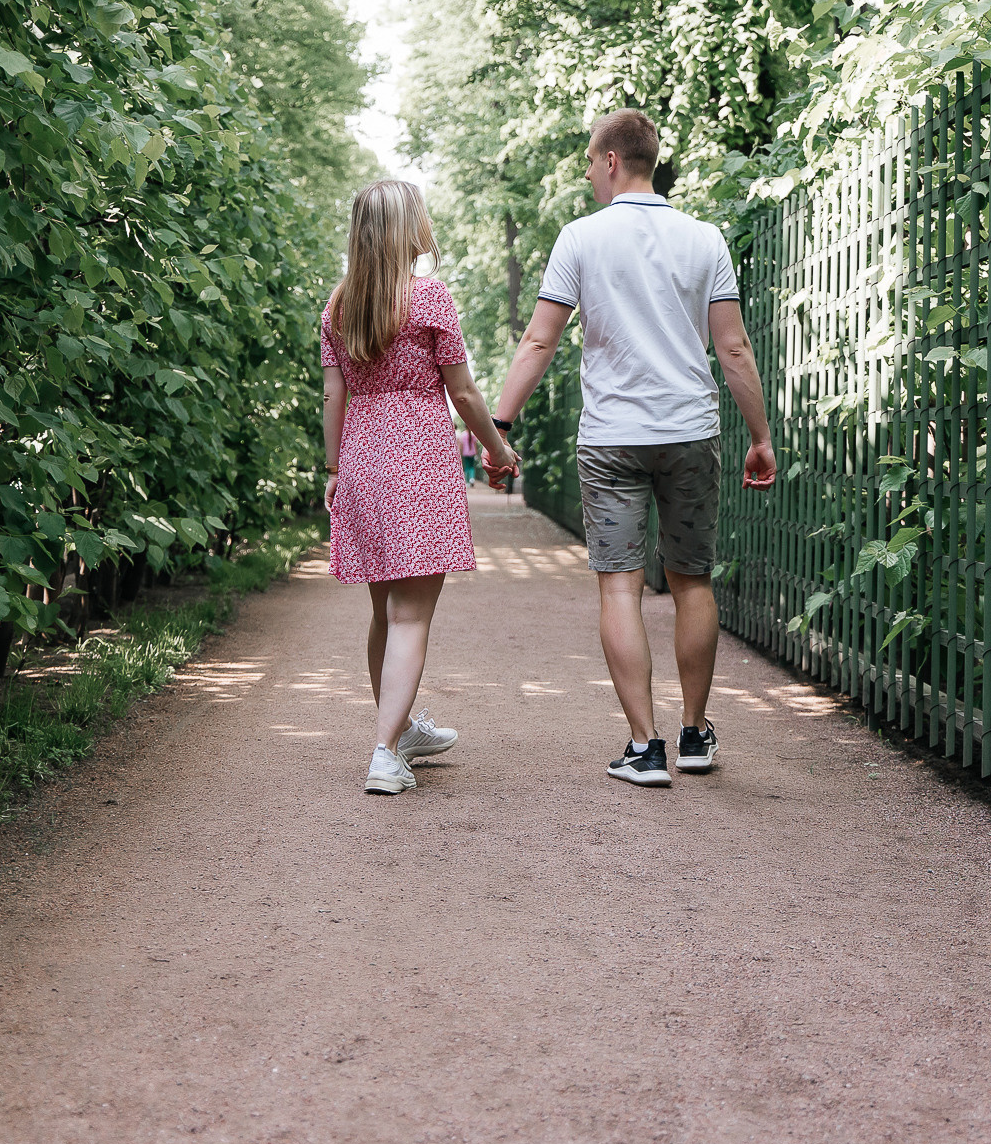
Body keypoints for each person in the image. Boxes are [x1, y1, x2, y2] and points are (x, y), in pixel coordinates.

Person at [490, 109, 775, 788]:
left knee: (619, 584)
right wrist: (760, 435)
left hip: (612, 436)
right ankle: (695, 735)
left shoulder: (581, 238)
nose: (590, 174)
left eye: (592, 163)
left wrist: (499, 424)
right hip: (689, 430)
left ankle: (645, 748)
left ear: (613, 160)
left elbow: (539, 340)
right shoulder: (704, 238)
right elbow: (733, 348)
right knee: (691, 580)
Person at [322, 180, 518, 795]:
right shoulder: (429, 297)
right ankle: (385, 752)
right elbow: (463, 392)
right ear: (407, 231)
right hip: (419, 463)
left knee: (383, 611)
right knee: (411, 616)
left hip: (362, 459)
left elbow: (333, 396)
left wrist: (333, 471)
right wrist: (498, 449)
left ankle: (400, 729)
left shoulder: (339, 307)